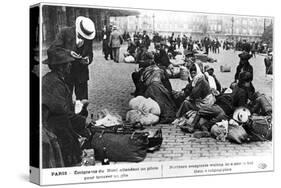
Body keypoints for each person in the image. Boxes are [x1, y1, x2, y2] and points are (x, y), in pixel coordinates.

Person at [42, 48, 92, 167]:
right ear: (61, 67)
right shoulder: (54, 83)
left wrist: (78, 104)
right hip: (51, 124)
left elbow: (61, 105)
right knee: (84, 134)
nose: (70, 65)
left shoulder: (56, 78)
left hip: (56, 118)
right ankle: (73, 161)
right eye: (68, 63)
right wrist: (84, 121)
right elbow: (62, 113)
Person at [48, 16, 95, 101]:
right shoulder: (64, 32)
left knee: (82, 102)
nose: (85, 38)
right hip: (66, 73)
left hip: (81, 74)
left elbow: (90, 53)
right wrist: (69, 53)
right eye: (83, 35)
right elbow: (53, 50)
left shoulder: (88, 36)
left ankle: (81, 114)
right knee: (65, 100)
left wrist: (87, 59)